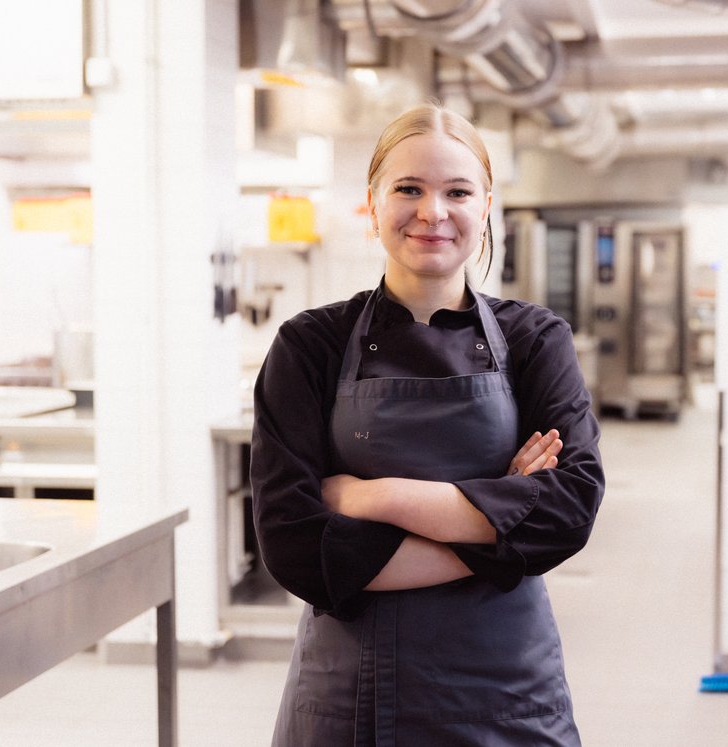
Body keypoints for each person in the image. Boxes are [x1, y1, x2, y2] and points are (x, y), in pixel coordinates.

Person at [250, 101, 605, 746]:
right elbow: (295, 545)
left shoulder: (535, 339)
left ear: (486, 203)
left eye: (457, 191)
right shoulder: (310, 345)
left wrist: (369, 495)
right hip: (349, 696)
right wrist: (501, 527)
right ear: (373, 202)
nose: (432, 212)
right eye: (408, 189)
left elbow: (568, 511)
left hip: (505, 692)